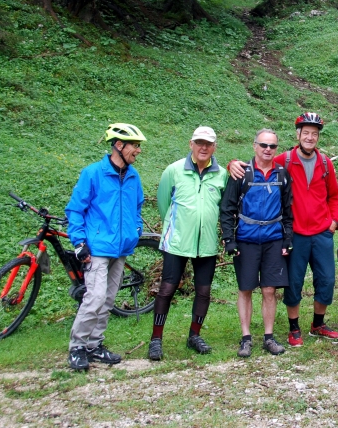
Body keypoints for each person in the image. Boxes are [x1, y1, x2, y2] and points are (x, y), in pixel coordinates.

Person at [227, 113, 338, 347]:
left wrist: (333, 221)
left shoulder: (325, 163)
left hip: (322, 232)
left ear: (318, 137)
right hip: (296, 233)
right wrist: (232, 164)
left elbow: (334, 196)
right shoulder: (285, 160)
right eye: (306, 132)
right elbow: (260, 161)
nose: (310, 137)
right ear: (298, 135)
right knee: (294, 282)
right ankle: (294, 328)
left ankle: (318, 324)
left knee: (327, 280)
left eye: (314, 134)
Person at [65, 123, 146, 371]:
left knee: (108, 299)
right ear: (119, 145)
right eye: (135, 146)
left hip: (121, 249)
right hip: (98, 249)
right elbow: (75, 210)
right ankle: (77, 347)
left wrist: (135, 230)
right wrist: (79, 242)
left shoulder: (133, 177)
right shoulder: (93, 173)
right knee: (96, 297)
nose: (138, 151)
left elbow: (137, 207)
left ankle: (94, 345)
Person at [148, 126, 228, 361]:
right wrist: (177, 228)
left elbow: (223, 207)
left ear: (214, 147)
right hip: (177, 242)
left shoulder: (222, 175)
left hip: (207, 244)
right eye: (199, 143)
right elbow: (164, 204)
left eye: (209, 144)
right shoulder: (173, 171)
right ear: (191, 144)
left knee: (203, 291)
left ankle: (194, 335)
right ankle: (156, 339)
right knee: (167, 288)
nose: (204, 147)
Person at [220, 129, 293, 357]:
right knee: (245, 288)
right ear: (254, 146)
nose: (268, 149)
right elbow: (227, 208)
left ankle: (269, 337)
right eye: (263, 145)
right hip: (246, 239)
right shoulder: (241, 173)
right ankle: (246, 338)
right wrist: (229, 239)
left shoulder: (282, 174)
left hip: (273, 239)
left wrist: (287, 238)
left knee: (269, 289)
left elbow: (288, 209)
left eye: (272, 146)